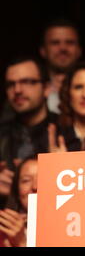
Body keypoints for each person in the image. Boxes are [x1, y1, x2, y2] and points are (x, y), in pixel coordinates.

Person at [0, 56, 57, 208]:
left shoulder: (65, 131)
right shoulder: (2, 134)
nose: (17, 90)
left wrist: (61, 166)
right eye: (11, 84)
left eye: (26, 82)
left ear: (46, 88)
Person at [39, 19, 82, 114]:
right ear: (43, 50)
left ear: (79, 50)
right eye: (55, 43)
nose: (63, 48)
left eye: (70, 42)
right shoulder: (30, 87)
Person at [0, 157, 37, 247]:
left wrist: (22, 244)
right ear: (17, 190)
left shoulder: (73, 226)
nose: (35, 186)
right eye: (26, 180)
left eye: (45, 178)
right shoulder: (5, 233)